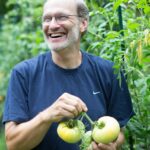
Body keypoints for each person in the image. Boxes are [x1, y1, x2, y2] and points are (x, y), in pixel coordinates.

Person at [3, 0, 135, 149]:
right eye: (47, 19)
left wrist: (112, 145)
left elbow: (120, 132)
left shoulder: (109, 72)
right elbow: (13, 144)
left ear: (83, 24)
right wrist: (47, 116)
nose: (52, 25)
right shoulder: (23, 74)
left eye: (62, 17)